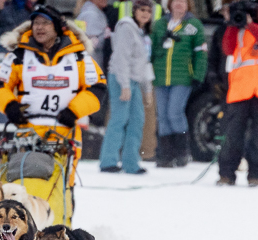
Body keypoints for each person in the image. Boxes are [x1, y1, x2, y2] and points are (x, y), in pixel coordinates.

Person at [0, 5, 106, 196]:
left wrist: (74, 111)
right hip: (27, 129)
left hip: (64, 131)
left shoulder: (79, 56)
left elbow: (97, 88)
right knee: (20, 185)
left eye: (45, 23)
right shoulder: (19, 55)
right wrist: (9, 106)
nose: (39, 28)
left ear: (58, 28)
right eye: (36, 23)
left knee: (60, 187)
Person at [99, 0, 154, 174]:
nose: (145, 14)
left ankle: (131, 162)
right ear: (135, 11)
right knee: (119, 118)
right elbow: (121, 57)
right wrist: (124, 85)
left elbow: (143, 62)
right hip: (120, 78)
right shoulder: (126, 28)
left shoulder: (141, 32)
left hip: (135, 80)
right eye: (142, 10)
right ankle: (108, 160)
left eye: (148, 11)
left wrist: (147, 89)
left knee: (137, 120)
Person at [150, 0, 207, 167]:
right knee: (162, 115)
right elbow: (152, 49)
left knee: (174, 112)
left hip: (182, 77)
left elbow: (201, 53)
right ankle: (165, 154)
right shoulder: (160, 24)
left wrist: (198, 74)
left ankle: (182, 152)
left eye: (183, 2)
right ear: (170, 4)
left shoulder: (194, 25)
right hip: (161, 76)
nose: (179, 5)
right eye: (176, 1)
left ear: (188, 5)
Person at [217, 10, 258, 187]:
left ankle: (255, 175)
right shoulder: (236, 29)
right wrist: (232, 24)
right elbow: (227, 48)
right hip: (240, 90)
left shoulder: (253, 27)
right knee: (232, 136)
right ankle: (226, 174)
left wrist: (250, 24)